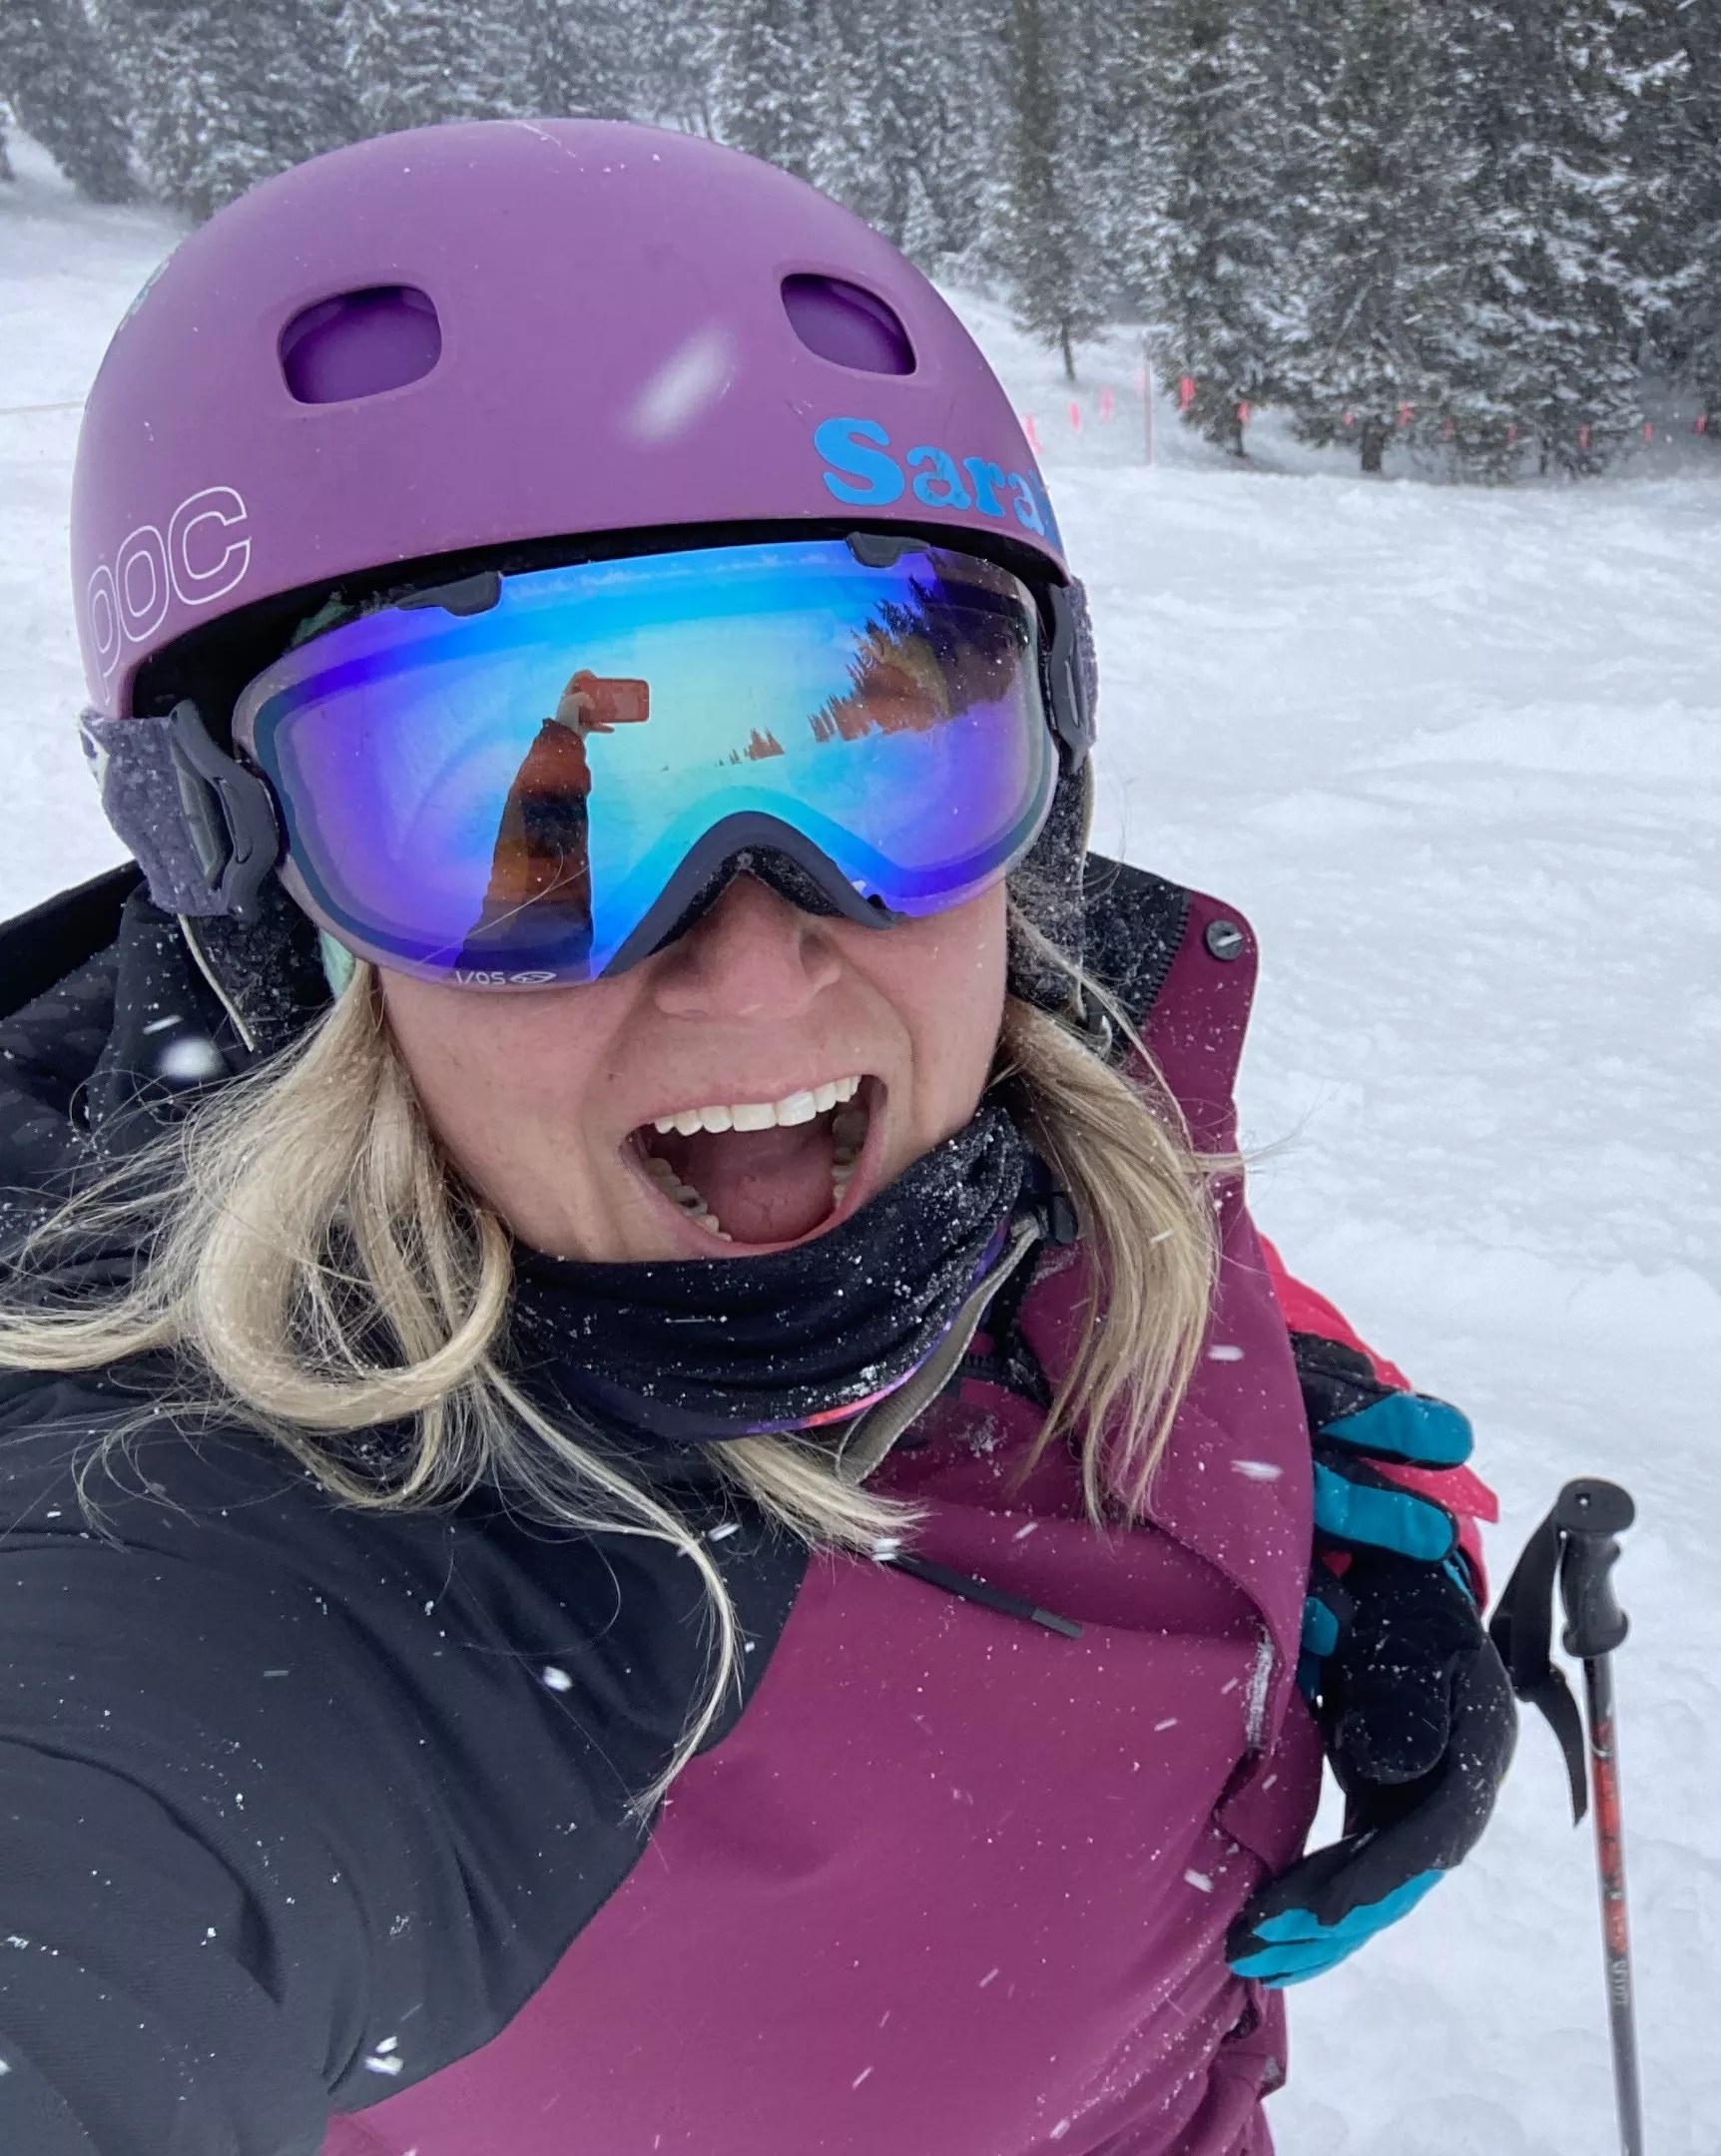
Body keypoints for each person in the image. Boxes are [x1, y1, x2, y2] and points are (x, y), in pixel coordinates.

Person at [0, 120, 1515, 2156]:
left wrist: (1297, 1445)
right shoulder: (280, 1559)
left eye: (869, 747)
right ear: (265, 899)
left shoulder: (1051, 1094)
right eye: (529, 826)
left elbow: (1099, 1253)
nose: (754, 970)